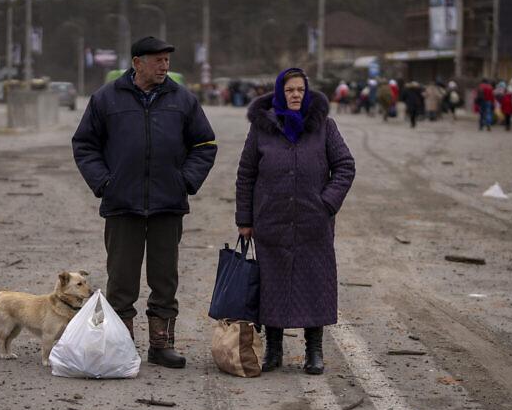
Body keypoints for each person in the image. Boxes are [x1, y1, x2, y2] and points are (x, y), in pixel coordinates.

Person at [72, 36, 217, 368]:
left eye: (167, 60)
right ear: (137, 63)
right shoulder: (106, 98)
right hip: (122, 204)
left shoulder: (183, 100)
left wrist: (186, 181)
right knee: (121, 282)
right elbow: (84, 144)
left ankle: (161, 346)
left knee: (165, 279)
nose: (165, 66)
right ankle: (121, 346)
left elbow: (205, 144)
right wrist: (104, 183)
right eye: (157, 60)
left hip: (168, 204)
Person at [235, 67, 356, 375]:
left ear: (307, 92)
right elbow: (246, 174)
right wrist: (245, 219)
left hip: (313, 224)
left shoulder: (324, 127)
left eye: (300, 90)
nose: (295, 95)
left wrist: (326, 203)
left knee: (315, 284)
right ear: (279, 93)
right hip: (271, 222)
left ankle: (313, 350)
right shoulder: (262, 129)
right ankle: (273, 350)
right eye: (289, 90)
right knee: (272, 285)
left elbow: (344, 166)